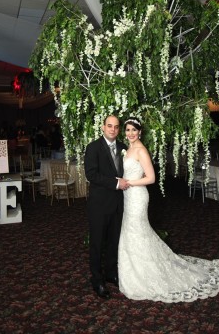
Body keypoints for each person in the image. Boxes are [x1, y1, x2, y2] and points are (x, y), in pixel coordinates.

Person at [118, 117, 219, 303]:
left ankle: (144, 272)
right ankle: (136, 269)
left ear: (140, 132)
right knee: (133, 231)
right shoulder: (129, 149)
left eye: (134, 130)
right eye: (128, 130)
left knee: (137, 231)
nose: (131, 133)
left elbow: (151, 178)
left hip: (137, 196)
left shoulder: (141, 150)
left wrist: (129, 182)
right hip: (128, 196)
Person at [84, 115, 129, 299]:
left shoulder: (123, 148)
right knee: (97, 243)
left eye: (116, 127)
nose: (112, 129)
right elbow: (91, 175)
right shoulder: (93, 148)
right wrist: (115, 183)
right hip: (99, 205)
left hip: (118, 204)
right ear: (103, 127)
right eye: (109, 126)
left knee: (114, 241)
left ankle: (111, 273)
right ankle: (97, 279)